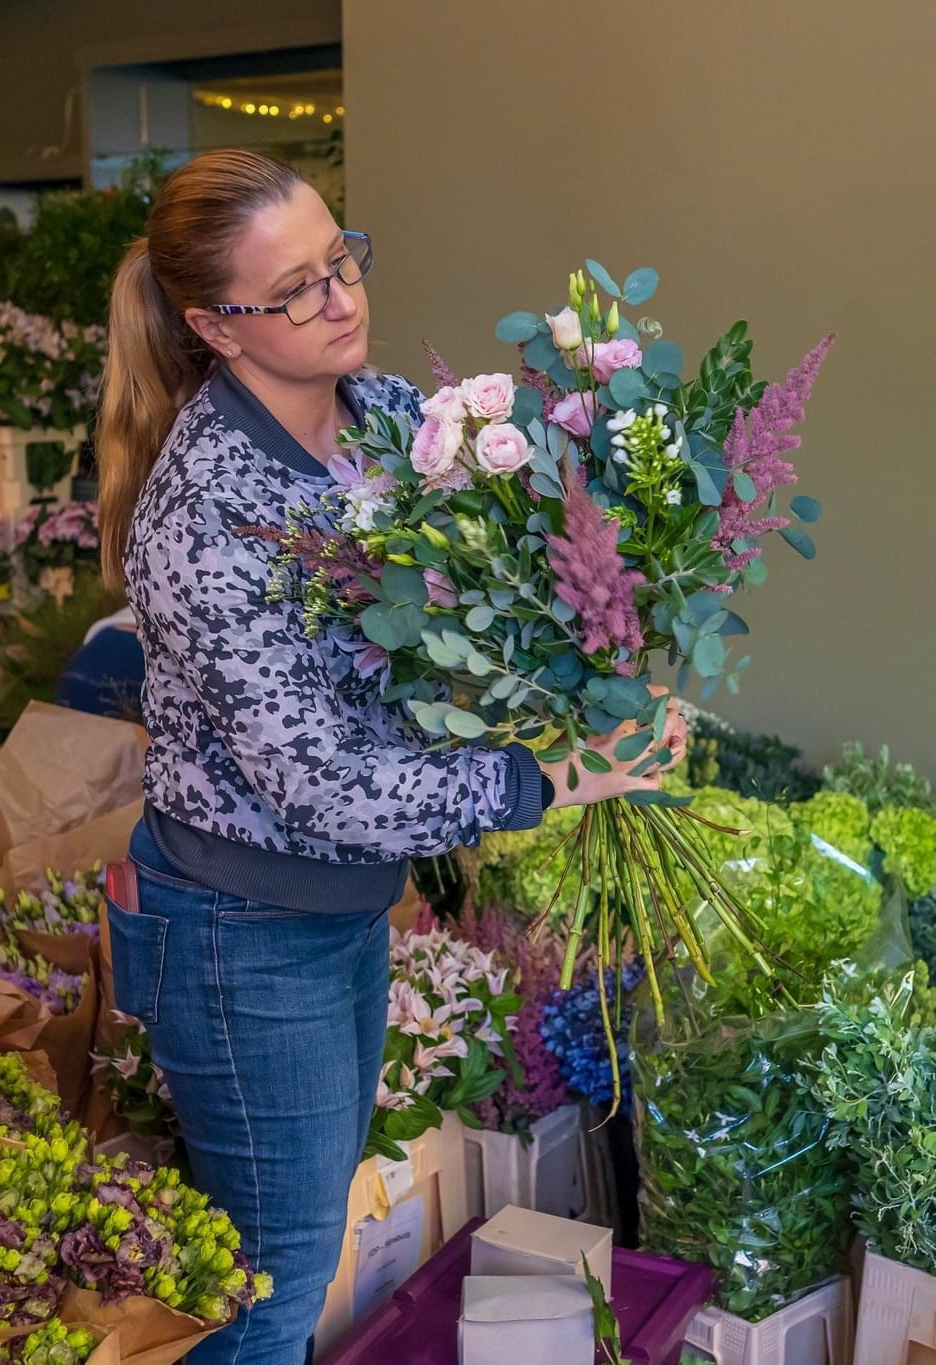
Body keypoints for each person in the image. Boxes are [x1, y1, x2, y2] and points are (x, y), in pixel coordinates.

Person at [96, 148, 686, 1365]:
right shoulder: (204, 516)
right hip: (245, 933)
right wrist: (550, 780)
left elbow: (473, 603)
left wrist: (600, 654)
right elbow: (325, 786)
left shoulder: (379, 426)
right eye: (297, 289)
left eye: (341, 260)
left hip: (336, 911)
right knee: (269, 1283)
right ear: (215, 326)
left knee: (278, 1259)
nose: (342, 299)